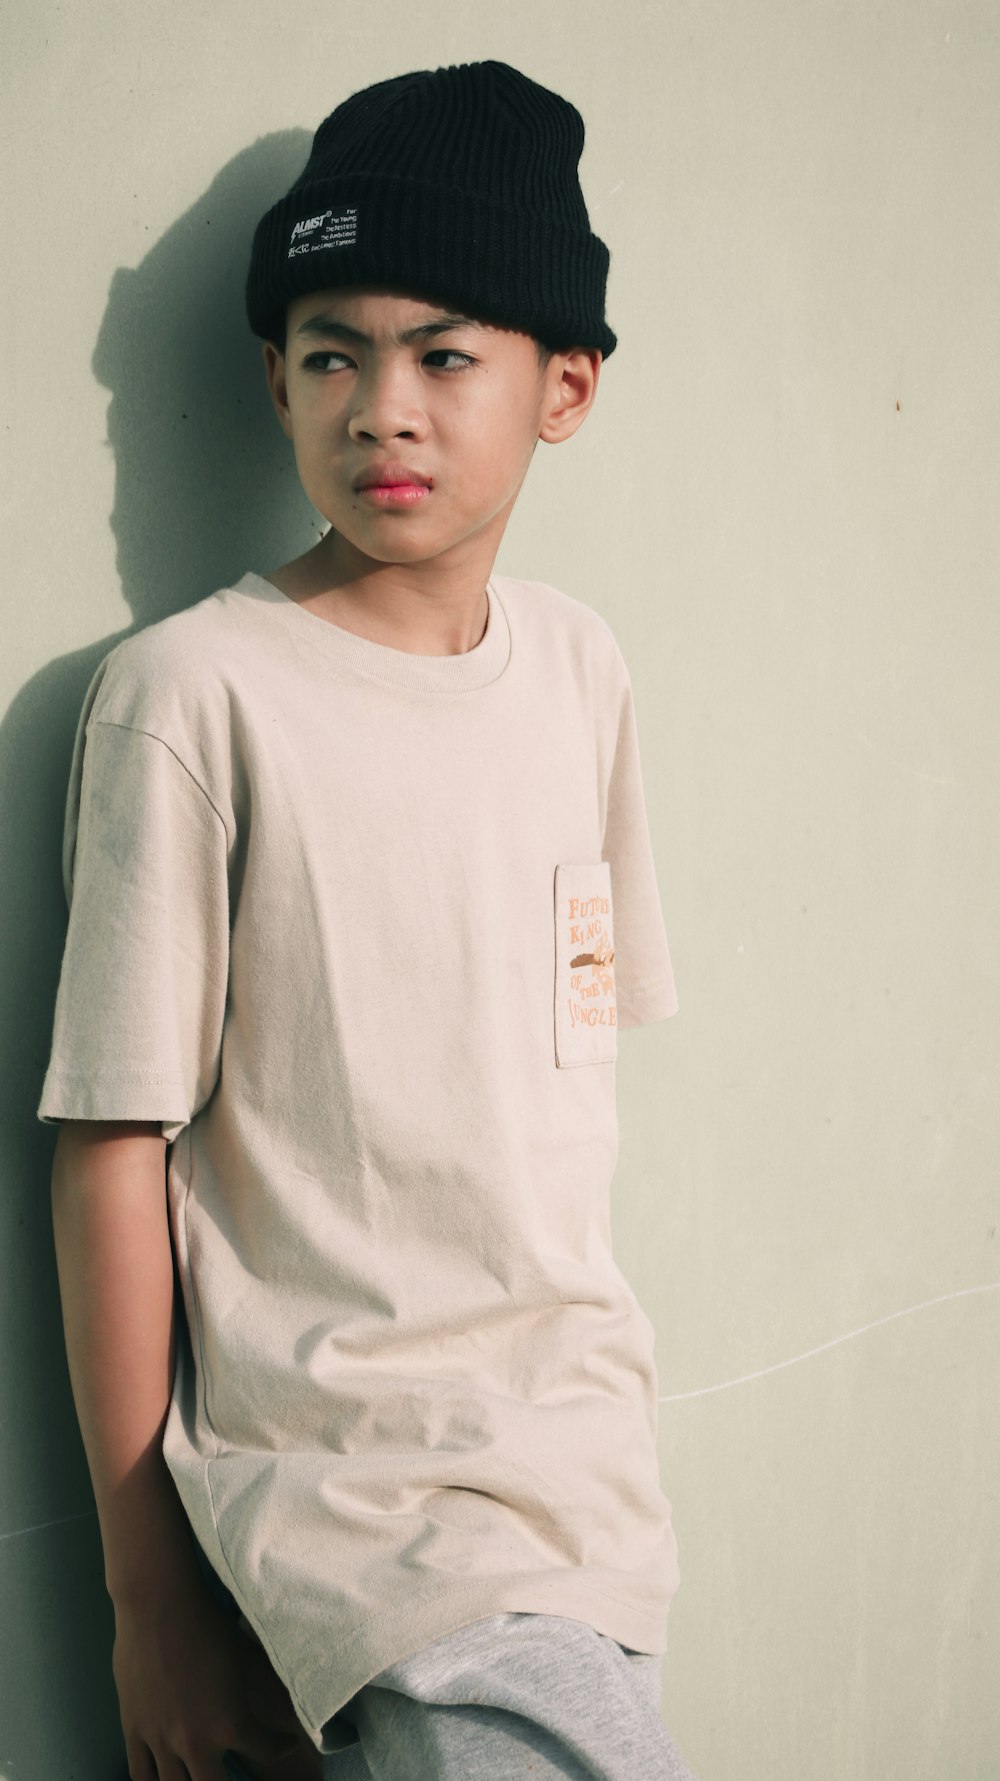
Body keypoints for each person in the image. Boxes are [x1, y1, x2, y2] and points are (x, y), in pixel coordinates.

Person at [38, 59, 698, 1781]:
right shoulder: (192, 695)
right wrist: (149, 1600)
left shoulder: (580, 669)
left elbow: (555, 1099)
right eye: (332, 351)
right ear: (273, 379)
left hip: (589, 1506)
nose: (381, 407)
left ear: (566, 387)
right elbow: (115, 1147)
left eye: (443, 353)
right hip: (358, 1527)